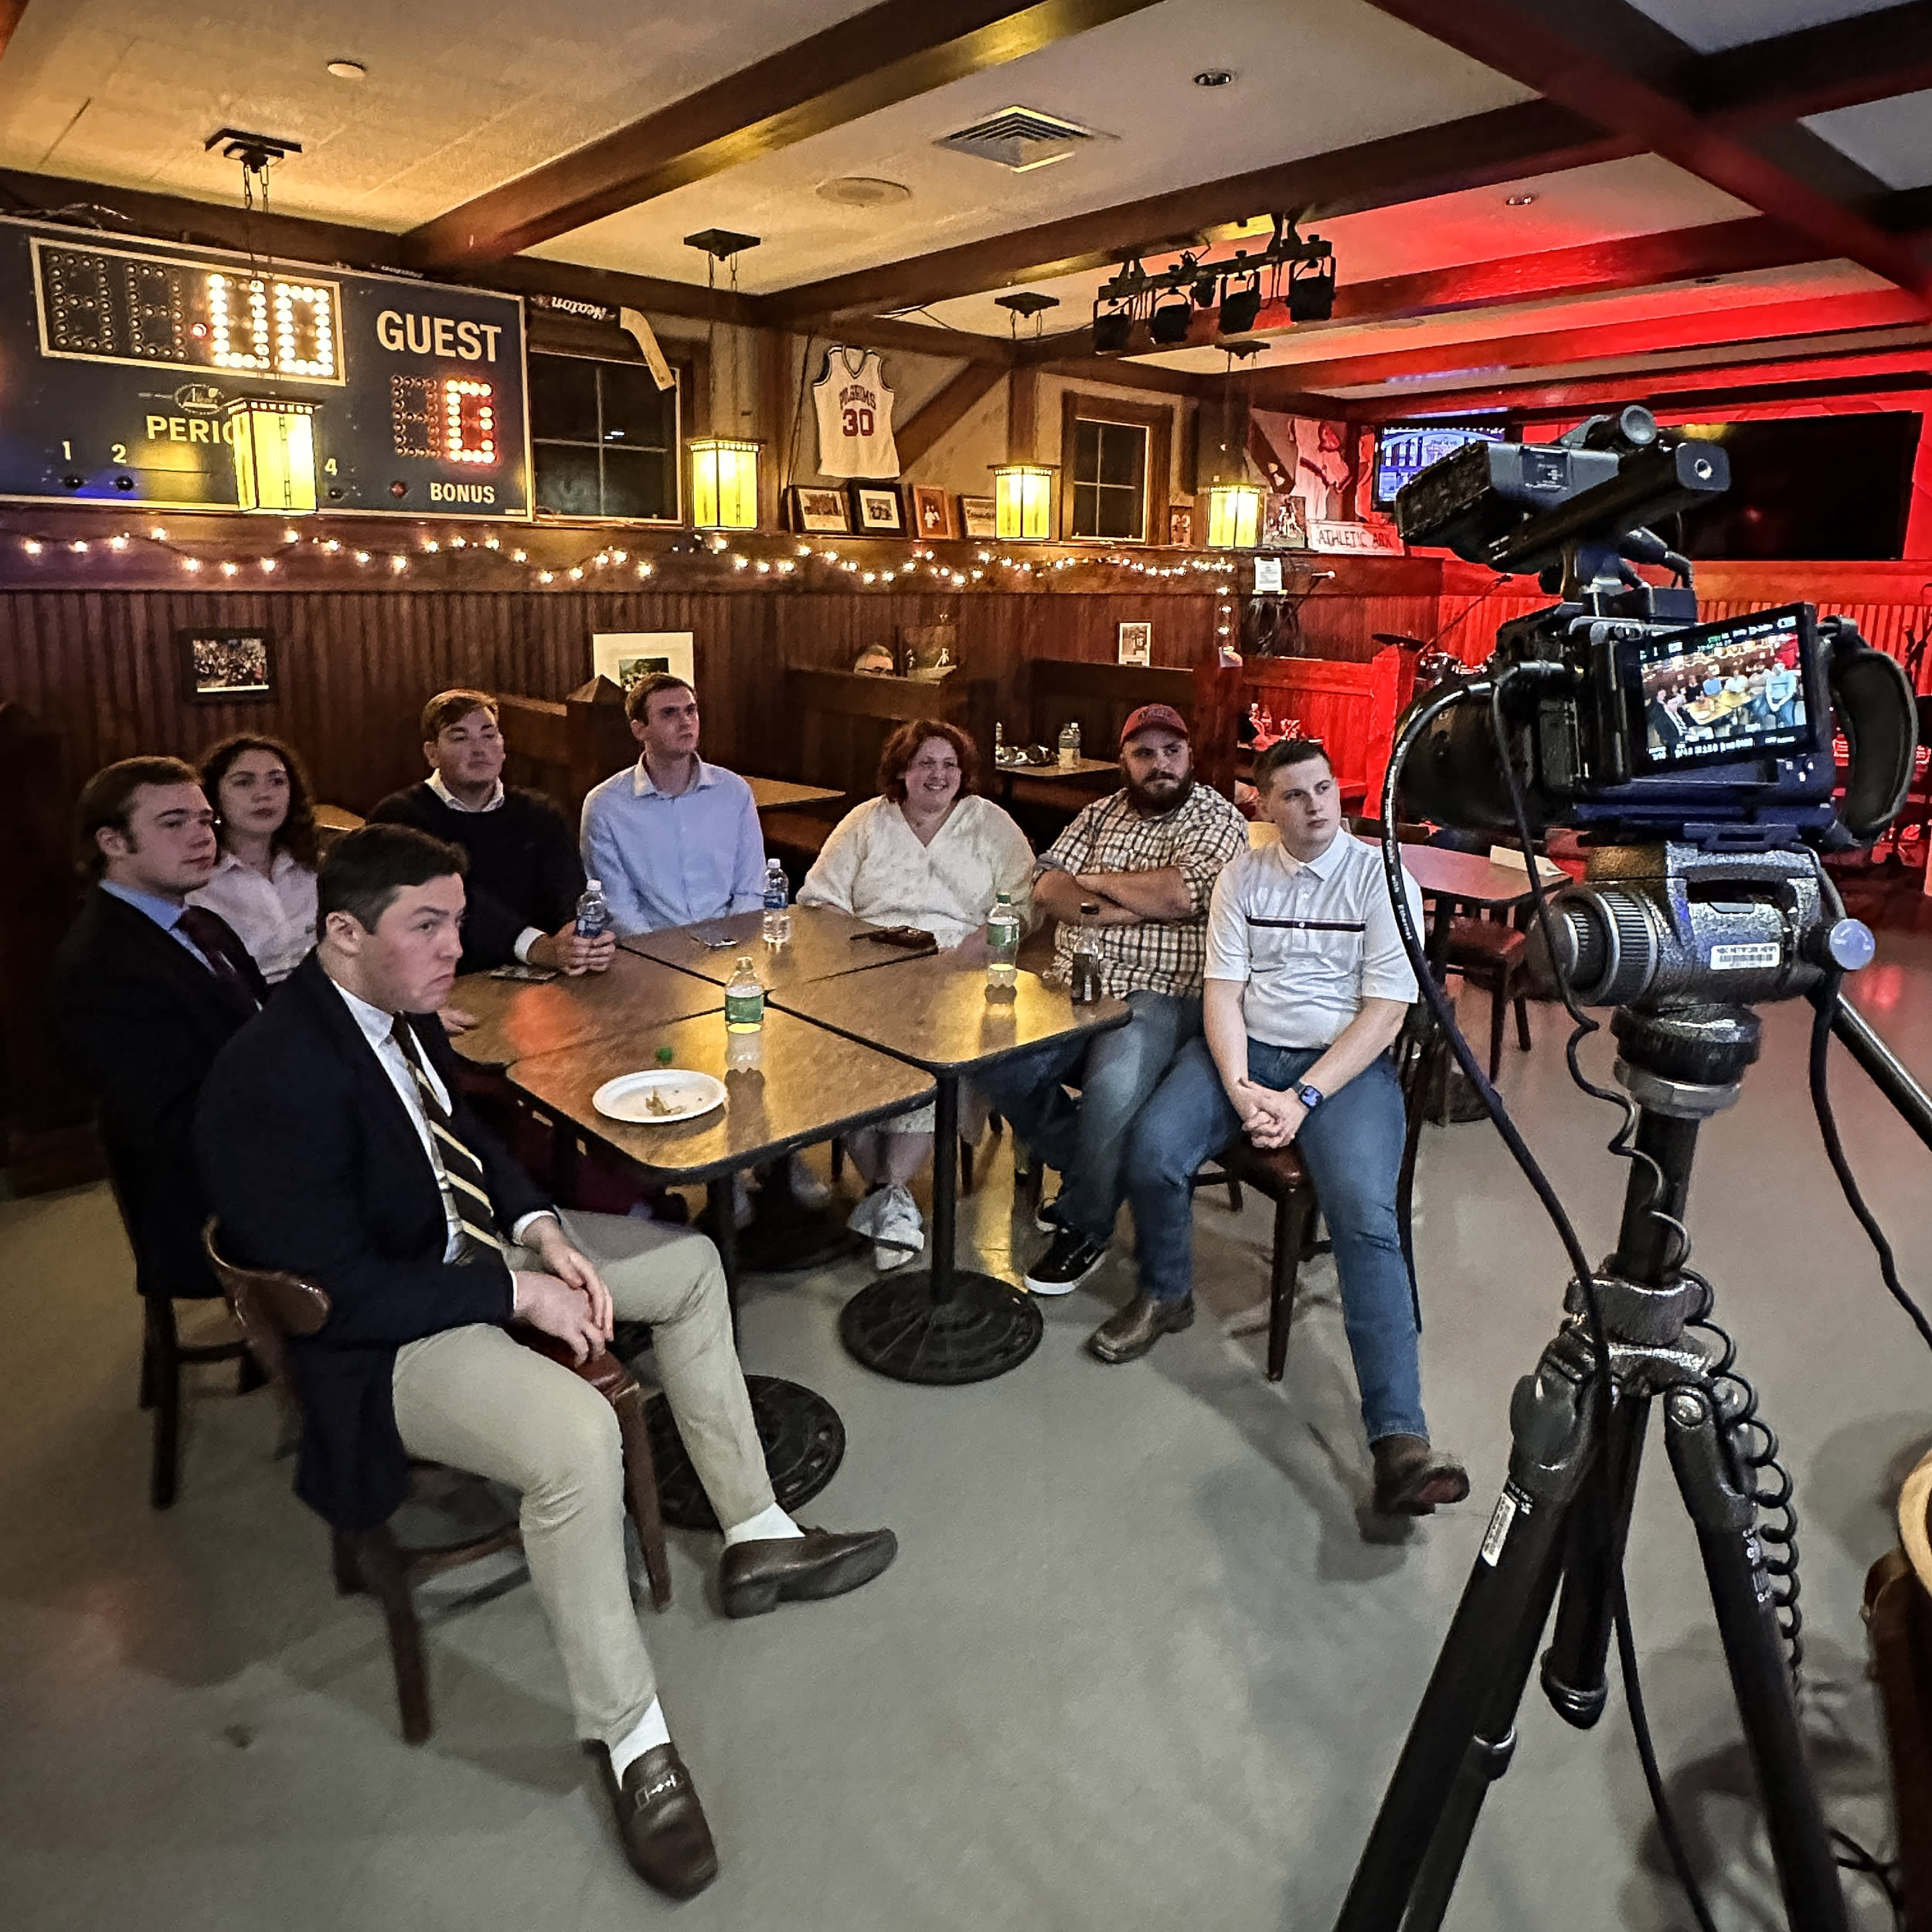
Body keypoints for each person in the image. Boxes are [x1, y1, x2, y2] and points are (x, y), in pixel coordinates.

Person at [195, 825, 896, 1900]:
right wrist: (514, 1292)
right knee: (575, 1439)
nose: (454, 945)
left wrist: (541, 1233)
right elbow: (339, 1291)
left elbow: (469, 1149)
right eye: (426, 924)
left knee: (693, 1265)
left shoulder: (397, 1011)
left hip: (469, 1255)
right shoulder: (269, 1076)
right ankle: (632, 1737)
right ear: (343, 933)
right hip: (385, 1335)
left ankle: (758, 1535)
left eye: (454, 918)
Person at [1114, 740, 1468, 1519]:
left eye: (1324, 788)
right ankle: (1167, 1290)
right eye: (1295, 795)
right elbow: (1223, 994)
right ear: (1264, 806)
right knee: (1153, 1151)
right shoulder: (1242, 877)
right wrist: (1244, 1088)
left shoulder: (1381, 878)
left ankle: (1399, 1440)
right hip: (1249, 1049)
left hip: (1344, 1068)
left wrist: (1301, 1098)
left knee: (1366, 1220)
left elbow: (1385, 1014)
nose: (1316, 805)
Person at [975, 703, 1248, 1296]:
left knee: (1115, 1083)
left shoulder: (1218, 818)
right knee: (992, 1055)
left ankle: (1086, 1224)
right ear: (1123, 760)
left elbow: (1180, 895)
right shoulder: (1099, 813)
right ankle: (1097, 1169)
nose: (1160, 764)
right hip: (1071, 985)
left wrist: (1093, 887)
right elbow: (1045, 885)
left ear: (1190, 756)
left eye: (1172, 751)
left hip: (1161, 993)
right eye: (1144, 753)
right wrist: (1126, 905)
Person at [798, 719, 1036, 1267]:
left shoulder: (989, 823)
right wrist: (866, 950)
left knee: (936, 1051)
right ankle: (892, 1198)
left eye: (950, 765)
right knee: (842, 1055)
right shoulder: (867, 821)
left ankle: (886, 1194)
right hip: (870, 967)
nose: (939, 775)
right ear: (902, 770)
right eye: (925, 763)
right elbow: (818, 899)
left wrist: (970, 951)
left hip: (960, 969)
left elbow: (1024, 904)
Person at [52, 757, 269, 1304]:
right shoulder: (100, 964)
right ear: (113, 842)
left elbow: (265, 1025)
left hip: (251, 1140)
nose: (201, 836)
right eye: (174, 823)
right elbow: (174, 1122)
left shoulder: (199, 921)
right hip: (204, 1197)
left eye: (205, 820)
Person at [369, 689, 609, 977]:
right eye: (460, 738)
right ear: (432, 754)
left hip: (546, 975)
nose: (479, 749)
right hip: (446, 978)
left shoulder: (542, 813)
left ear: (503, 747)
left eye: (489, 735)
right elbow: (447, 904)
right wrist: (536, 947)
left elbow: (570, 894)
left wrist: (581, 941)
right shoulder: (399, 818)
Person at [580, 673, 765, 937]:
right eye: (669, 713)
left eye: (691, 710)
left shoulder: (734, 792)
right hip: (651, 945)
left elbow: (751, 888)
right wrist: (660, 953)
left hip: (731, 940)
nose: (686, 721)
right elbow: (618, 907)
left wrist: (733, 942)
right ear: (639, 729)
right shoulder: (606, 805)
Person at [187, 733, 319, 984]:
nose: (263, 794)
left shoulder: (315, 869)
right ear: (214, 796)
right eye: (244, 782)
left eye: (277, 781)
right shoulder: (196, 883)